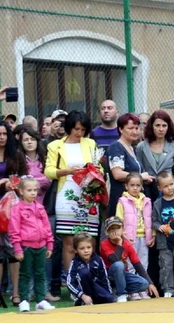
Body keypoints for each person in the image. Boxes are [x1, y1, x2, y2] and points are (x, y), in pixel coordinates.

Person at [45, 111, 100, 275]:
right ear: (69, 128)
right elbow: (48, 171)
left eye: (83, 130)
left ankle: (91, 278)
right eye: (76, 129)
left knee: (90, 240)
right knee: (69, 242)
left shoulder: (90, 143)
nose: (80, 133)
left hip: (88, 194)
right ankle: (72, 281)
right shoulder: (55, 146)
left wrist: (96, 172)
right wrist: (67, 171)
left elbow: (99, 167)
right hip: (67, 194)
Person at [9, 176, 55, 312]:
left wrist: (50, 244)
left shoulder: (40, 208)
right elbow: (14, 230)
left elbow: (47, 227)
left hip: (41, 246)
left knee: (41, 273)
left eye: (35, 190)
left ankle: (40, 300)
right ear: (21, 191)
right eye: (29, 190)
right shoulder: (17, 209)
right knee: (25, 274)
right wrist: (17, 248)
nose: (33, 193)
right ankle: (24, 300)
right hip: (26, 246)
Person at [100, 216, 159, 302]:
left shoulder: (127, 244)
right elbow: (114, 261)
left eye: (118, 228)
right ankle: (121, 294)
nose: (115, 231)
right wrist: (119, 244)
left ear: (123, 229)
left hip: (123, 275)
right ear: (106, 232)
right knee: (119, 265)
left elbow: (137, 264)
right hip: (109, 275)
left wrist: (150, 283)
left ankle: (120, 291)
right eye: (111, 229)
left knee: (144, 283)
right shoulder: (104, 244)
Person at [115, 172, 153, 300]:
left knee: (143, 264)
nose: (135, 188)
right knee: (130, 265)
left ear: (142, 186)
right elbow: (118, 220)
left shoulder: (146, 201)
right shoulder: (122, 201)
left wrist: (152, 235)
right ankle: (132, 291)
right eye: (132, 185)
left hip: (144, 237)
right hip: (130, 238)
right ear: (126, 186)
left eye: (138, 185)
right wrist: (122, 235)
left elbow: (150, 219)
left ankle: (143, 289)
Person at [107, 113, 152, 217]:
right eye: (131, 128)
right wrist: (141, 177)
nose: (135, 131)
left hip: (135, 202)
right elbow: (117, 174)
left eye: (137, 128)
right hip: (121, 202)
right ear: (121, 129)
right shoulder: (116, 147)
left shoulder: (133, 149)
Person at [136, 110, 174, 200]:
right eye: (157, 125)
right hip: (148, 191)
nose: (161, 129)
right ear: (151, 127)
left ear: (168, 127)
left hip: (171, 192)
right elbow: (139, 169)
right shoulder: (141, 147)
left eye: (164, 125)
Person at [66, 232, 113, 305]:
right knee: (84, 272)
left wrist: (108, 294)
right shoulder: (75, 263)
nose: (86, 251)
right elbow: (69, 283)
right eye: (82, 248)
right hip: (83, 293)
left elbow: (105, 278)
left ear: (92, 248)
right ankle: (83, 301)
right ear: (75, 250)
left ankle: (94, 301)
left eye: (89, 247)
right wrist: (82, 295)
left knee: (109, 298)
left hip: (96, 288)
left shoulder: (98, 260)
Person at [19, 128, 51, 204]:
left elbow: (50, 180)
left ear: (37, 141)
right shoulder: (17, 160)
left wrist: (29, 181)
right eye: (26, 140)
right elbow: (17, 183)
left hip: (45, 203)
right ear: (21, 143)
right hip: (23, 204)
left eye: (32, 139)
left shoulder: (46, 159)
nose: (29, 142)